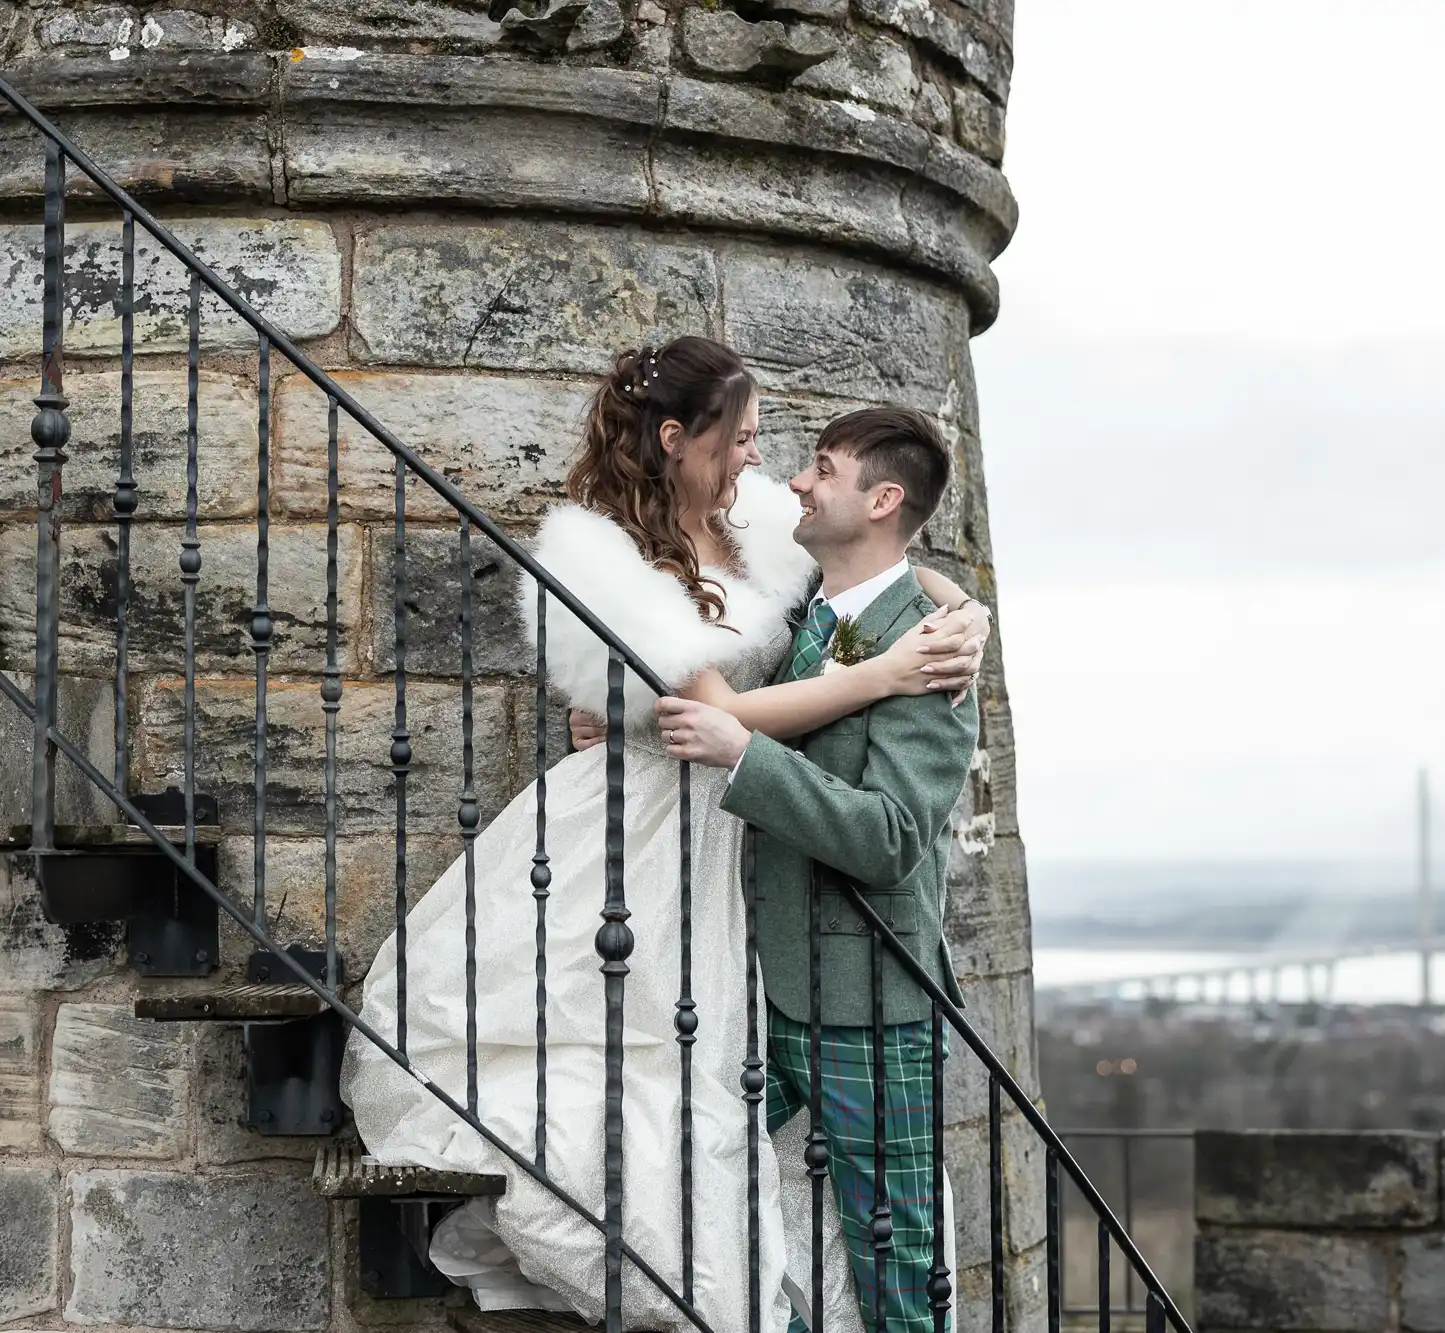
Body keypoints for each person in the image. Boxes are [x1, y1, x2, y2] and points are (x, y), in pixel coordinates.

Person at [343, 337, 988, 1332]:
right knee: (640, 1080)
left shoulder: (760, 517)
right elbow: (716, 706)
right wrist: (882, 675)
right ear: (679, 436)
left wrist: (957, 608)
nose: (763, 465)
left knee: (781, 1141)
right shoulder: (593, 550)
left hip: (745, 841)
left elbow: (876, 551)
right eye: (742, 438)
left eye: (778, 447)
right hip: (662, 833)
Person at [651, 407, 979, 1333]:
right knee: (676, 1199)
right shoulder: (810, 608)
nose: (796, 481)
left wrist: (742, 757)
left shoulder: (937, 650)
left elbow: (888, 837)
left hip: (870, 1001)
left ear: (881, 500)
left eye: (822, 470)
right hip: (756, 986)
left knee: (900, 1273)